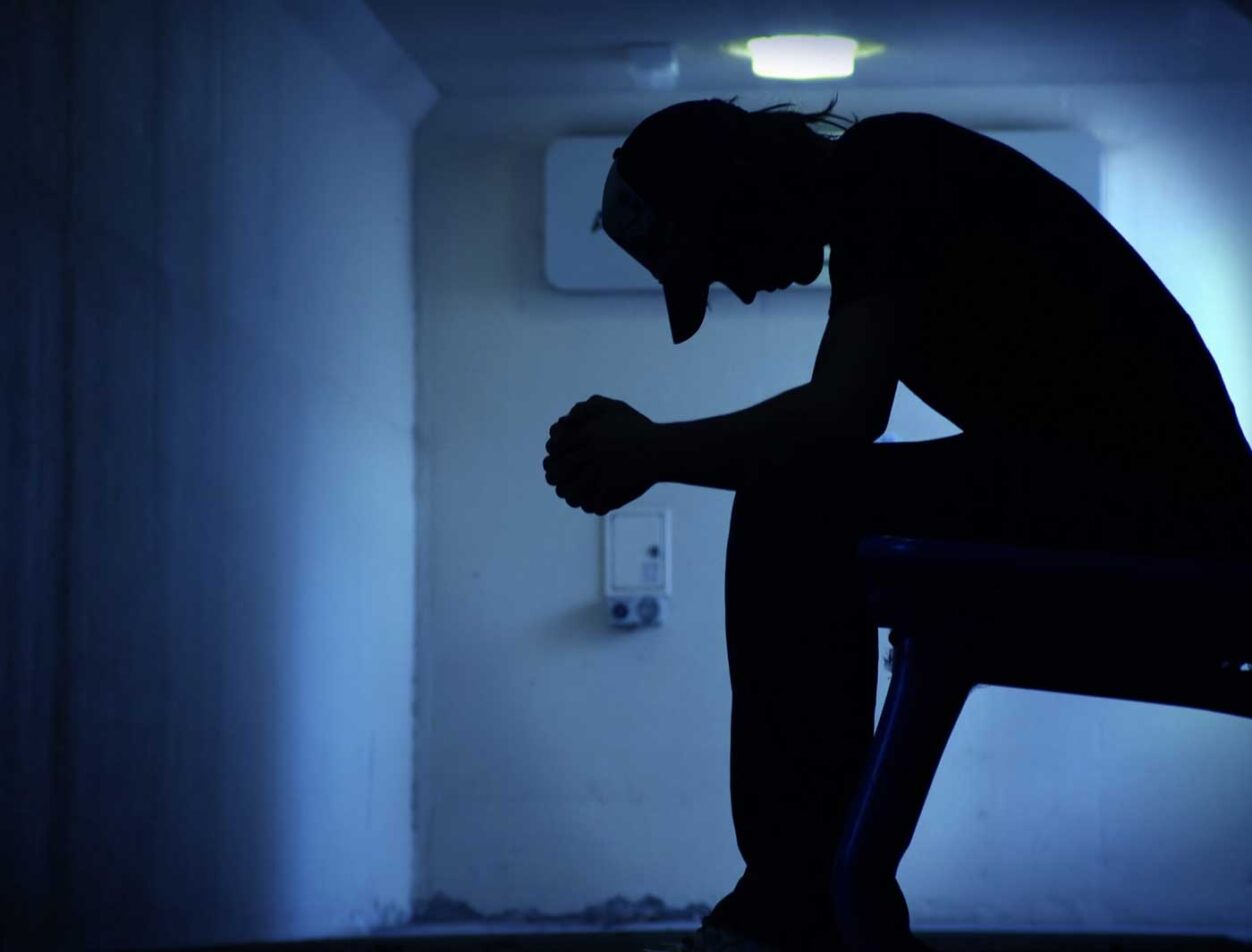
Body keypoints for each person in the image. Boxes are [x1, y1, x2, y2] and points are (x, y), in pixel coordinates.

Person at [541, 98, 1252, 952]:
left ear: (739, 197)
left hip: (1173, 516)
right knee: (803, 494)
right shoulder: (887, 183)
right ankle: (807, 890)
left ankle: (793, 901)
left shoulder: (889, 166)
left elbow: (841, 415)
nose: (740, 287)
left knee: (795, 498)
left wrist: (650, 451)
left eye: (716, 258)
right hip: (1149, 505)